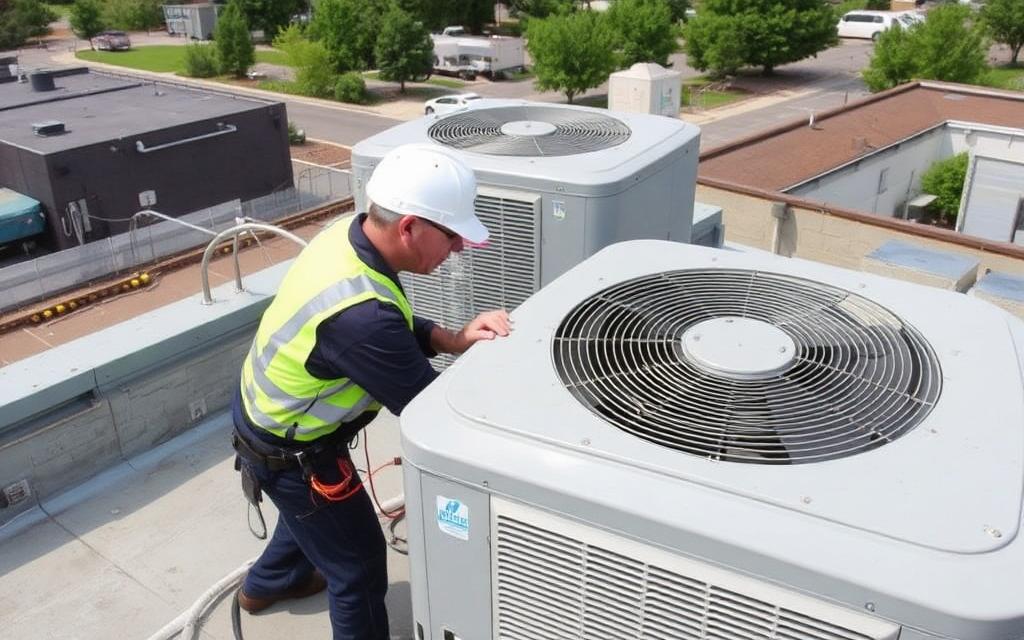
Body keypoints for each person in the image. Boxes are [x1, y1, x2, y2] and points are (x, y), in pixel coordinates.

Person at [230, 143, 511, 639]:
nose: (459, 250)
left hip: (267, 422)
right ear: (409, 227)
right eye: (452, 236)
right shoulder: (361, 319)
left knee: (310, 519)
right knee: (357, 567)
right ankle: (274, 582)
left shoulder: (347, 234)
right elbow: (433, 414)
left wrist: (451, 338)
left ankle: (266, 585)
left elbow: (391, 320)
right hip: (296, 451)